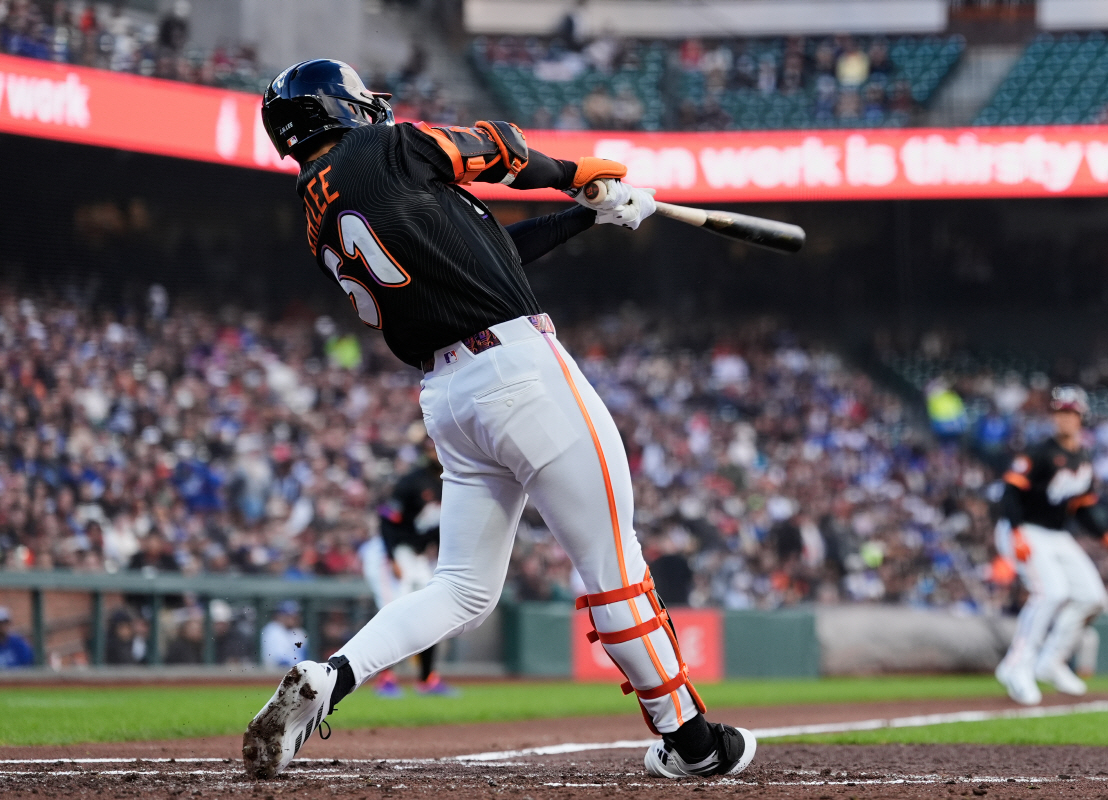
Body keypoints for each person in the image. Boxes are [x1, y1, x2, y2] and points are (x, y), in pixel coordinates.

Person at [244, 59, 753, 781]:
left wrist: (588, 215)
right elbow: (497, 144)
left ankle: (331, 678)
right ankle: (691, 742)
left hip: (449, 398)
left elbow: (490, 254)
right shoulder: (387, 148)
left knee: (462, 589)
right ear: (341, 108)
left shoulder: (317, 207)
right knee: (613, 567)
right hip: (519, 369)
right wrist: (578, 173)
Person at [993, 386, 1108, 706]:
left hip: (1056, 533)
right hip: (1024, 527)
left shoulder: (1083, 457)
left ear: (1081, 417)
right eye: (1060, 411)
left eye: (1071, 412)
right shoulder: (1039, 451)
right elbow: (1010, 492)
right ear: (1053, 416)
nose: (1065, 417)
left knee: (1093, 597)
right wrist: (1016, 532)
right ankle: (1015, 666)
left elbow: (1083, 509)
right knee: (1051, 593)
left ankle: (1051, 661)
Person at [359, 423, 456, 697]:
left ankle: (427, 678)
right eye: (431, 445)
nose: (435, 451)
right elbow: (387, 520)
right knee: (392, 611)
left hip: (415, 555)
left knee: (431, 611)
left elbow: (438, 527)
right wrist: (392, 559)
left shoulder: (451, 481)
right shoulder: (412, 481)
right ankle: (385, 677)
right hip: (388, 551)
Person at [260, 601, 307, 668]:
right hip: (274, 672)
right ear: (278, 615)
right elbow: (278, 660)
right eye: (287, 615)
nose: (291, 618)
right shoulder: (272, 630)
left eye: (294, 615)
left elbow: (304, 656)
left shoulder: (299, 632)